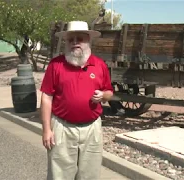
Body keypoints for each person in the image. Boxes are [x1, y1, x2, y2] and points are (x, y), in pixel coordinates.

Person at [40, 20, 114, 180]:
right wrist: (46, 129)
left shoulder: (99, 65)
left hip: (92, 129)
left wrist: (103, 95)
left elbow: (109, 93)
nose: (75, 43)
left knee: (89, 175)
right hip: (62, 128)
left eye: (79, 39)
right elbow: (46, 97)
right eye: (70, 40)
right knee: (59, 175)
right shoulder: (56, 65)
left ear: (88, 40)